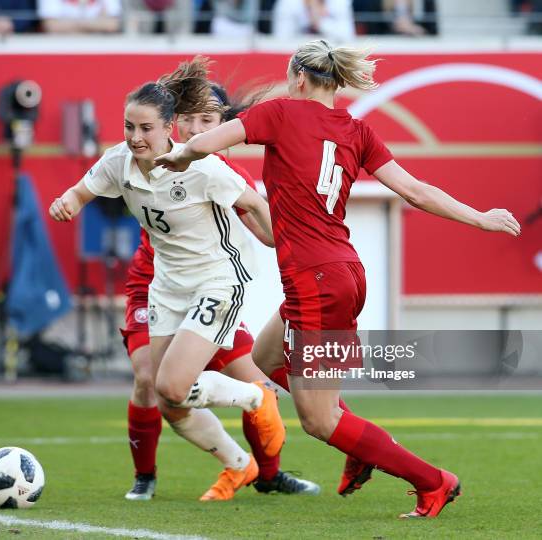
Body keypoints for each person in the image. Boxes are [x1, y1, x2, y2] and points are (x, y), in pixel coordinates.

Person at [154, 40, 521, 518]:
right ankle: (358, 443)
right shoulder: (358, 130)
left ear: (299, 79)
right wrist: (480, 217)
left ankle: (434, 481)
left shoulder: (282, 113)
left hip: (315, 280)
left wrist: (181, 155)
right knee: (265, 356)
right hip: (342, 271)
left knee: (319, 420)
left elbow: (210, 142)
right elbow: (414, 190)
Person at [49, 57, 287, 502]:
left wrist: (283, 245)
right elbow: (83, 190)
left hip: (216, 281)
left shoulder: (201, 167)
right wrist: (66, 202)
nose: (136, 137)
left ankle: (255, 399)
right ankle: (240, 465)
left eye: (145, 129)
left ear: (168, 129)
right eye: (129, 127)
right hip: (167, 287)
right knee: (169, 403)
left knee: (172, 385)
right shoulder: (118, 162)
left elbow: (255, 206)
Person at [120, 81, 321, 501]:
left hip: (209, 294)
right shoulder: (154, 157)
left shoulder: (226, 175)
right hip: (155, 288)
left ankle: (266, 474)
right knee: (149, 381)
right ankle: (145, 476)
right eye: (188, 120)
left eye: (207, 121)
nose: (196, 130)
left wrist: (299, 249)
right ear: (172, 124)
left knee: (263, 391)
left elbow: (263, 231)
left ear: (225, 126)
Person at [38, 0, 121, 33]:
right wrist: (97, 24)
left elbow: (113, 25)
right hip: (62, 50)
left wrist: (70, 24)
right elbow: (51, 26)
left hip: (100, 51)